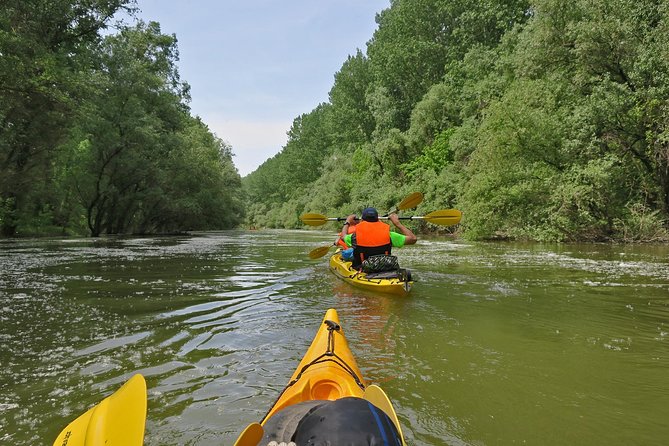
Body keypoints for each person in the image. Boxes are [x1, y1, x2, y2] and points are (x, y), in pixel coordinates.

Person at [340, 207, 416, 268]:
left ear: (362, 220)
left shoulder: (355, 237)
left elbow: (343, 237)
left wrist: (347, 222)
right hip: (385, 268)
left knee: (348, 254)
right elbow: (413, 239)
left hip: (362, 269)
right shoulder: (389, 235)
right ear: (378, 219)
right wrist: (397, 224)